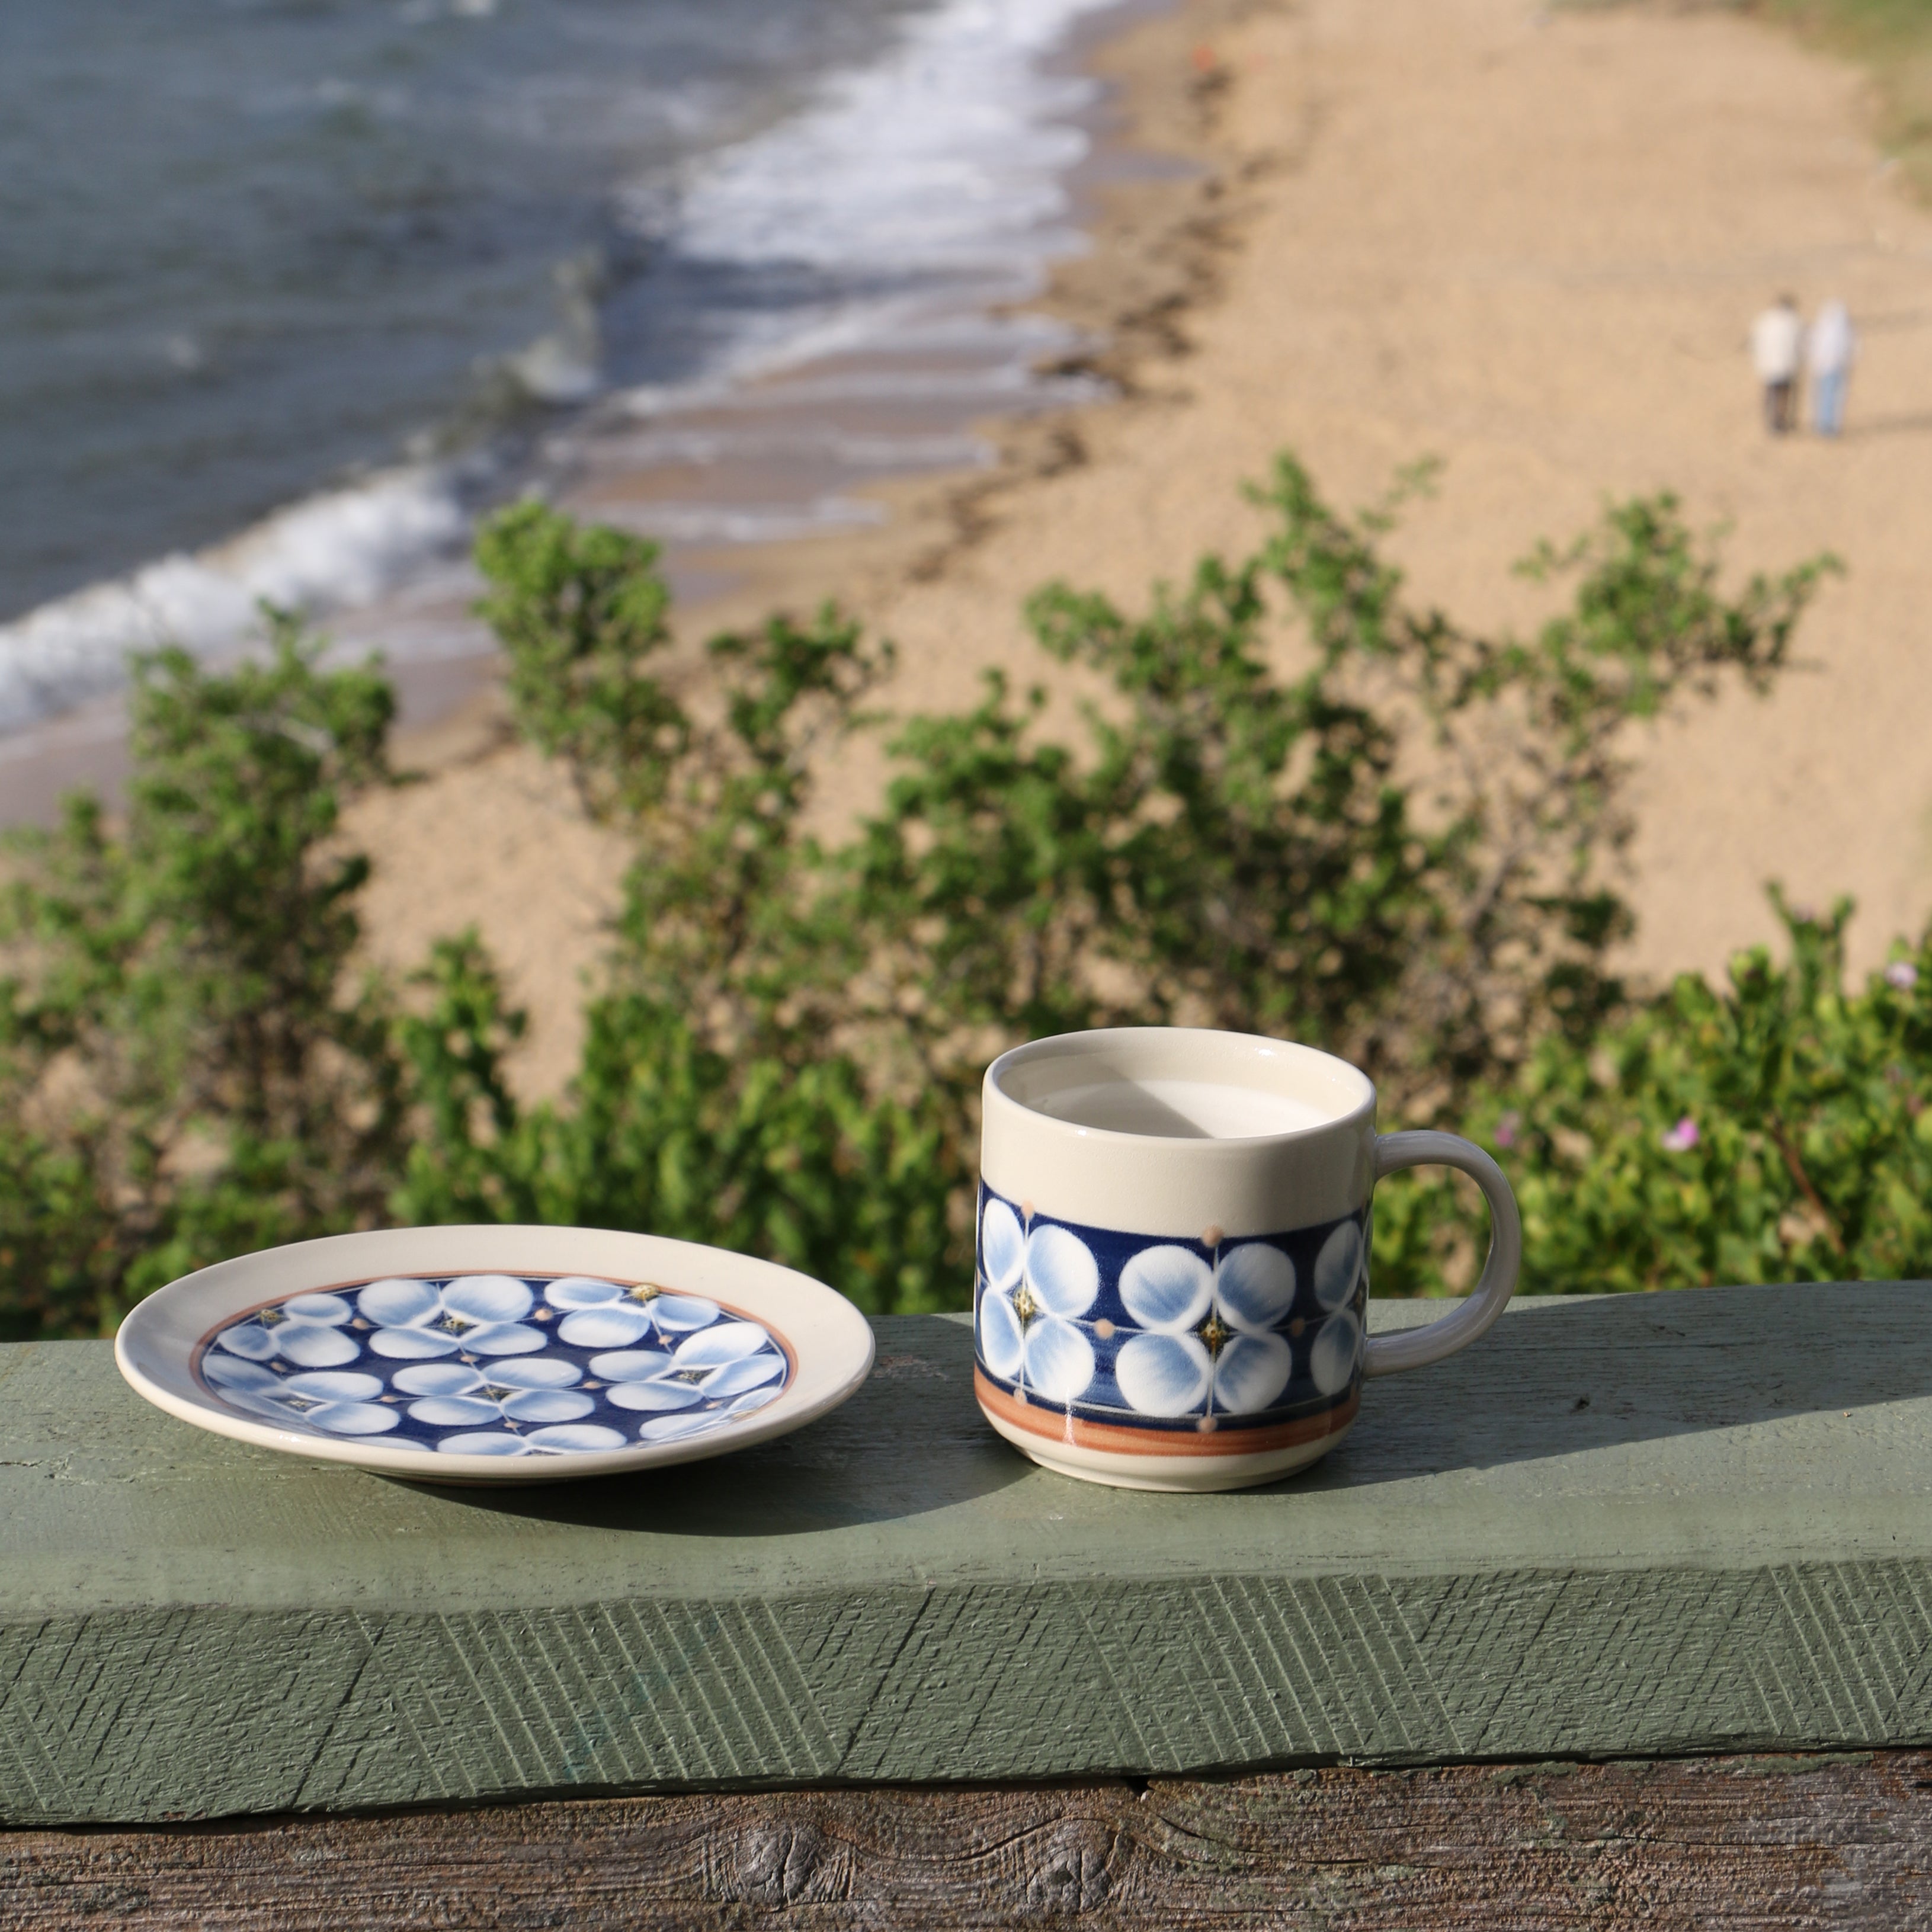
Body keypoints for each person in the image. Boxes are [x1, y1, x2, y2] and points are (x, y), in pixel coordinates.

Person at [1751, 295, 1803, 433]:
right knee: (1782, 395)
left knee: (1774, 394)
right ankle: (1778, 422)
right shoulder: (1793, 321)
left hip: (1773, 365)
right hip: (1785, 365)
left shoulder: (1766, 321)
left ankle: (1774, 422)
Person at [1808, 299, 1856, 437]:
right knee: (1825, 397)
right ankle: (1824, 426)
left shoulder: (1840, 330)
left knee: (1833, 398)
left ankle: (1829, 426)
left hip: (1835, 368)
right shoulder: (1828, 329)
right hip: (1826, 368)